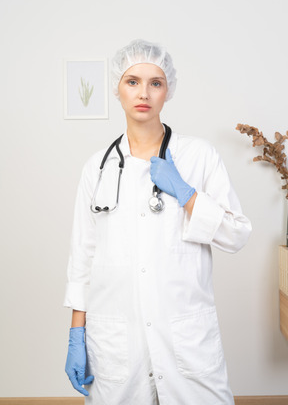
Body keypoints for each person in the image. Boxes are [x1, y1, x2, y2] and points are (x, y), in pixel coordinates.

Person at [64, 39, 252, 405]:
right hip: (117, 341)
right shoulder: (97, 168)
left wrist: (187, 194)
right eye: (132, 81)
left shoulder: (198, 156)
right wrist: (76, 333)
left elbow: (237, 234)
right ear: (117, 89)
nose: (143, 93)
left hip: (185, 338)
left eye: (156, 82)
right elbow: (82, 257)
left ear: (168, 91)